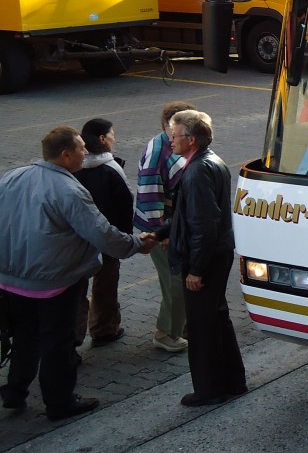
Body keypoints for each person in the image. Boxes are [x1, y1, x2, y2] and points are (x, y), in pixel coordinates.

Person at [0, 127, 153, 421]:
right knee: (57, 343)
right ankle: (60, 402)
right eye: (82, 148)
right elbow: (102, 234)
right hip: (54, 284)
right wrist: (136, 244)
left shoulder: (12, 177)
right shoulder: (70, 190)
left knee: (24, 337)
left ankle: (15, 390)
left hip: (11, 283)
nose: (87, 151)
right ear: (66, 154)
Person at [154, 110, 246, 406]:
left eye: (175, 136)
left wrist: (196, 269)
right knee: (218, 318)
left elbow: (203, 225)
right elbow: (189, 215)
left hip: (207, 257)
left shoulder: (195, 172)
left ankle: (209, 389)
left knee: (202, 326)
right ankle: (233, 381)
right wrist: (160, 233)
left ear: (191, 139)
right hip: (218, 253)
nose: (170, 141)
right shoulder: (210, 161)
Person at [134, 100, 194, 353]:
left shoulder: (172, 146)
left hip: (175, 226)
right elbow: (149, 195)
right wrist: (162, 234)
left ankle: (182, 326)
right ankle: (166, 331)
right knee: (174, 281)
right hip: (163, 230)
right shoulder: (158, 151)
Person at [73, 118, 134, 348]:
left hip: (76, 239)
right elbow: (124, 203)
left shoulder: (74, 166)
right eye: (112, 134)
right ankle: (104, 329)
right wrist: (125, 238)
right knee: (105, 284)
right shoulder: (110, 168)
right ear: (102, 138)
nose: (114, 138)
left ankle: (72, 339)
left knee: (76, 287)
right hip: (107, 237)